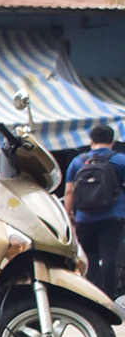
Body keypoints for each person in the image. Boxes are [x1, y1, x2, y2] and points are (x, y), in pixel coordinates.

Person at [65, 121, 125, 299]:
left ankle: (93, 295)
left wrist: (69, 215)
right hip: (113, 216)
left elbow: (69, 191)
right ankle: (109, 295)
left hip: (85, 218)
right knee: (110, 257)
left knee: (89, 257)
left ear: (91, 140)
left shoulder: (78, 162)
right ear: (112, 141)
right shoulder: (120, 160)